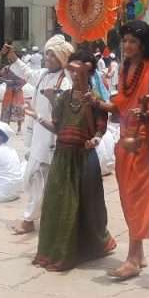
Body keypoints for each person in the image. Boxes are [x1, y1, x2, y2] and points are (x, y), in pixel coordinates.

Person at [91, 20, 149, 280]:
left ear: (144, 45)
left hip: (143, 142)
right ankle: (139, 252)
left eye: (133, 41)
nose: (127, 45)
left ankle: (133, 259)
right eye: (125, 40)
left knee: (138, 197)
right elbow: (120, 105)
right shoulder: (125, 69)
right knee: (126, 196)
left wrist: (147, 112)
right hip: (124, 139)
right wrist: (97, 102)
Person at [31, 49, 116, 271]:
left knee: (88, 205)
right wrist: (37, 117)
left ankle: (91, 246)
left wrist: (95, 140)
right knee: (60, 205)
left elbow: (100, 129)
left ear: (89, 72)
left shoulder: (95, 100)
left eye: (80, 70)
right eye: (72, 69)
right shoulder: (63, 98)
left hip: (84, 158)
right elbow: (57, 127)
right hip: (62, 158)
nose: (75, 74)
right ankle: (58, 250)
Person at [2, 35, 74, 235]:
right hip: (38, 135)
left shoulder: (66, 81)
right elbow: (26, 72)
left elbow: (65, 111)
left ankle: (29, 220)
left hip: (52, 138)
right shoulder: (42, 75)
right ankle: (43, 217)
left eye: (52, 56)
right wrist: (11, 56)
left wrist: (53, 99)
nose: (47, 59)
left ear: (62, 58)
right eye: (46, 55)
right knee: (35, 179)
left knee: (38, 179)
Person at [0, 63, 26, 131]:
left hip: (17, 91)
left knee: (18, 109)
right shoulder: (7, 68)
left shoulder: (21, 69)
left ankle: (19, 127)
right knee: (7, 109)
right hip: (10, 91)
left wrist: (17, 85)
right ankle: (7, 127)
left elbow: (25, 80)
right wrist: (6, 80)